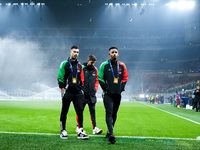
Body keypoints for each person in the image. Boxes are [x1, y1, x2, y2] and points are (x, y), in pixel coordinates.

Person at [57, 45, 89, 139]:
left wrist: (81, 89)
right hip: (67, 92)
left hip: (78, 93)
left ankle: (80, 131)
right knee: (64, 111)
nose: (76, 53)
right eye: (74, 51)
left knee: (80, 112)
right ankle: (63, 130)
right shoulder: (64, 64)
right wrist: (62, 89)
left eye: (77, 52)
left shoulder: (80, 66)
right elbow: (60, 76)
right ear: (70, 52)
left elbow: (82, 79)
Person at [98, 47, 128, 144]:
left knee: (114, 114)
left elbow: (125, 77)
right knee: (109, 112)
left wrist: (121, 88)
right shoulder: (104, 65)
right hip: (108, 95)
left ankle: (109, 130)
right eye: (112, 52)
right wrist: (105, 88)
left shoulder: (122, 66)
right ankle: (111, 133)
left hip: (117, 95)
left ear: (118, 54)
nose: (114, 54)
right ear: (109, 54)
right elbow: (100, 77)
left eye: (116, 52)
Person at [76, 55, 103, 134]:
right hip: (82, 94)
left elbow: (97, 81)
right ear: (88, 61)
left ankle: (95, 128)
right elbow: (78, 79)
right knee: (80, 111)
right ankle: (79, 127)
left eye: (94, 63)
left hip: (92, 95)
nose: (93, 64)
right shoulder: (82, 68)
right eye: (92, 62)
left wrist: (95, 89)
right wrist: (80, 89)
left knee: (93, 111)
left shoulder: (95, 70)